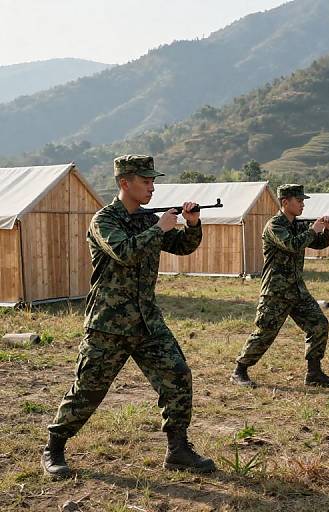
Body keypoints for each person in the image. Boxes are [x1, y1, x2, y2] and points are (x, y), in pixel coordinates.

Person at [42, 155, 216, 479]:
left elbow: (181, 246)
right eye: (146, 181)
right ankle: (54, 446)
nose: (153, 186)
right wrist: (160, 228)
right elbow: (124, 252)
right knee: (88, 389)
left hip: (146, 321)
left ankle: (177, 450)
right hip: (109, 324)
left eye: (153, 180)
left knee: (177, 375)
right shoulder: (104, 220)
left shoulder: (148, 219)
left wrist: (192, 224)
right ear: (125, 183)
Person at [231, 184, 329, 388]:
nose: (303, 205)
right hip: (276, 291)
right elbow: (292, 245)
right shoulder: (275, 226)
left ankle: (314, 373)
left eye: (303, 201)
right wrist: (313, 230)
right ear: (285, 202)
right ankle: (240, 370)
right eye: (299, 201)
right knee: (265, 331)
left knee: (318, 324)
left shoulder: (297, 225)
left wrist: (327, 230)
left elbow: (318, 243)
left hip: (297, 290)